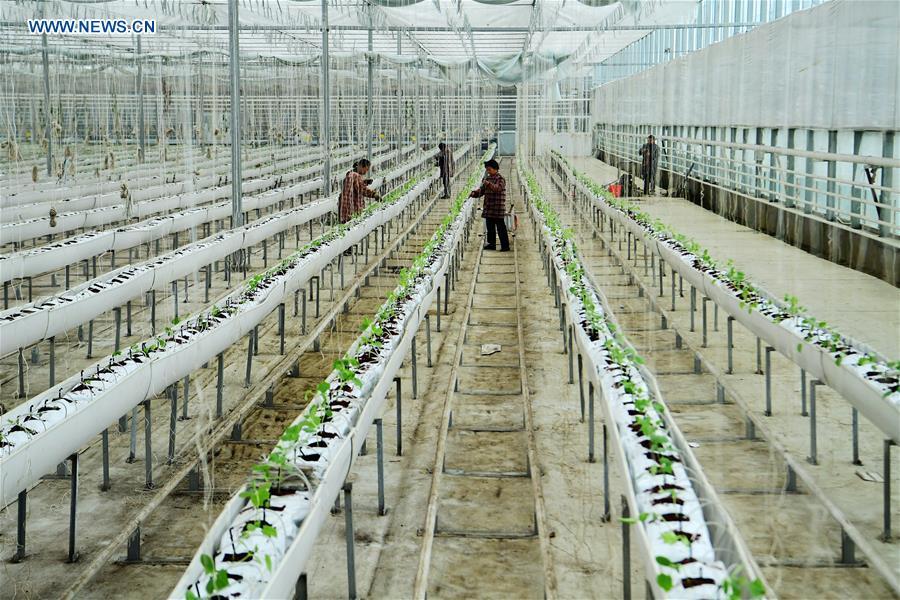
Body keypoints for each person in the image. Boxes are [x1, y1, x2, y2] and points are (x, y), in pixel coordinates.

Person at [470, 158, 510, 252]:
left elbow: (497, 189)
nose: (488, 171)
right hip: (489, 207)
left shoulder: (500, 179)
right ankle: (491, 244)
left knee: (501, 228)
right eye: (487, 170)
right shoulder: (487, 179)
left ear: (495, 169)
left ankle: (505, 246)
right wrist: (474, 193)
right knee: (490, 227)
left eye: (489, 169)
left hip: (497, 208)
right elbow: (482, 191)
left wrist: (487, 184)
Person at [339, 158, 381, 224]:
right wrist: (374, 194)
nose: (366, 172)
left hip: (345, 207)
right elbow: (362, 190)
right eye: (366, 169)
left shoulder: (351, 174)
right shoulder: (355, 176)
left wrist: (364, 182)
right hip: (351, 208)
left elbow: (354, 188)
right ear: (361, 166)